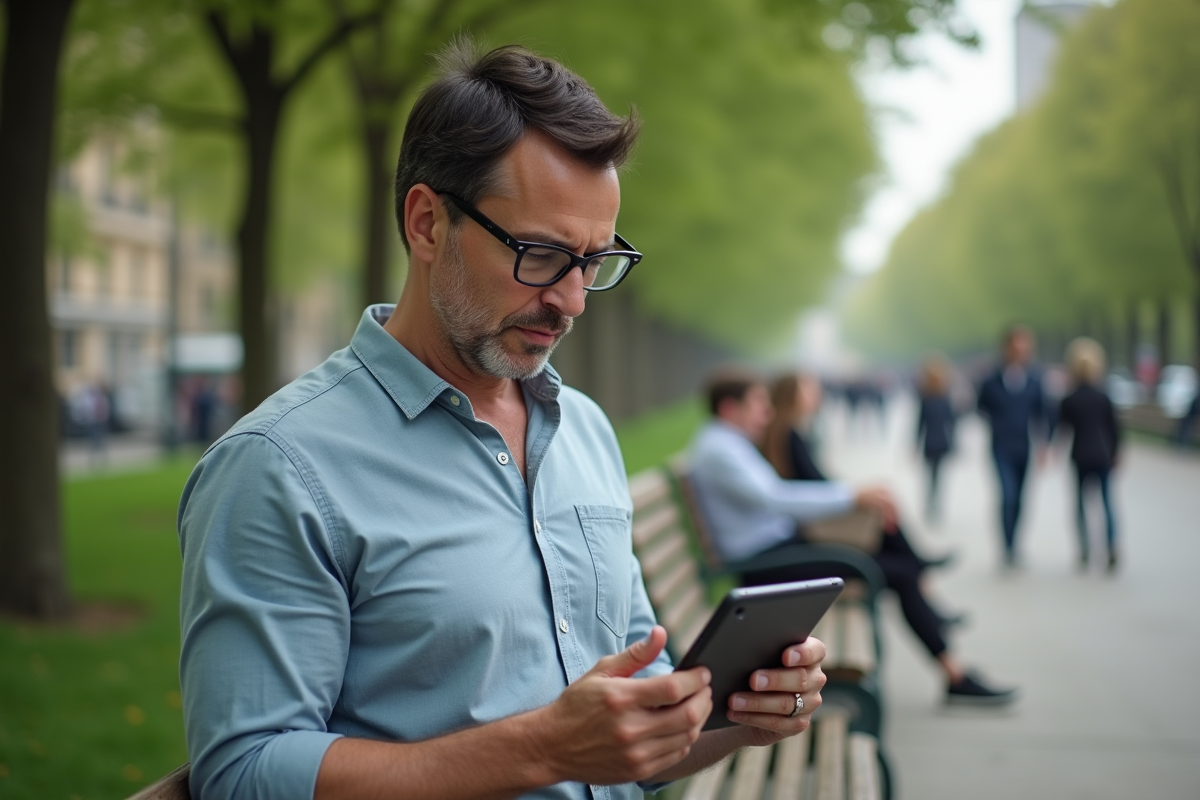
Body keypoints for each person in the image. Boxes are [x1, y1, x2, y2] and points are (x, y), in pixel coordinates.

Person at [177, 43, 827, 800]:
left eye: (594, 260)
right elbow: (243, 774)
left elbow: (634, 721)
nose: (573, 299)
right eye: (543, 254)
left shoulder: (584, 428)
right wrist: (541, 749)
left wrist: (743, 712)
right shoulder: (276, 468)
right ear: (426, 224)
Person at [748, 371, 1015, 706]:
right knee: (895, 554)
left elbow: (807, 486)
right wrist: (857, 495)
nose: (815, 393)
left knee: (887, 530)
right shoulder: (778, 435)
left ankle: (931, 606)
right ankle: (941, 633)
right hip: (784, 550)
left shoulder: (778, 434)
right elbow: (800, 490)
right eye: (809, 388)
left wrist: (857, 494)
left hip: (792, 540)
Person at [976, 325, 1051, 567]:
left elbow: (1044, 412)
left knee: (1020, 498)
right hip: (1000, 446)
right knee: (1007, 495)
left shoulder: (1035, 379)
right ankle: (1006, 546)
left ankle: (1015, 543)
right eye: (1017, 347)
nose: (1021, 352)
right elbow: (981, 407)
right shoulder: (991, 379)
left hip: (1023, 446)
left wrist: (1045, 445)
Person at [1057, 338, 1122, 571]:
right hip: (1102, 454)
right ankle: (1112, 545)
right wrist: (1116, 452)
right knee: (1107, 503)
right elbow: (1114, 428)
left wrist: (1054, 450)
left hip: (1080, 455)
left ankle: (1085, 548)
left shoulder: (1069, 398)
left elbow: (1062, 429)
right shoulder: (1103, 396)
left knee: (1081, 505)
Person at [915, 357, 957, 522]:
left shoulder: (942, 398)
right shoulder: (928, 398)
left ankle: (934, 503)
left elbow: (952, 423)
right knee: (932, 475)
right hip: (934, 442)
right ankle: (931, 503)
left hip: (938, 442)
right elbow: (920, 424)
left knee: (936, 475)